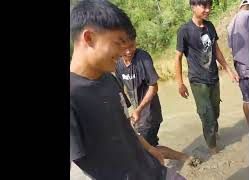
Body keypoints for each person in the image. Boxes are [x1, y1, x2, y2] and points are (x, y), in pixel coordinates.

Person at [70, 1, 185, 179]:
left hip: (154, 171)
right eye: (118, 42)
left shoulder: (109, 79)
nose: (124, 50)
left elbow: (124, 124)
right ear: (89, 38)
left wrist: (149, 149)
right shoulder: (73, 96)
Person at [175, 0, 239, 154]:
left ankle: (214, 135)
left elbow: (216, 50)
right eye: (203, 6)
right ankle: (213, 150)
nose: (208, 9)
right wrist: (180, 84)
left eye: (209, 6)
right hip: (198, 81)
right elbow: (177, 58)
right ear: (193, 6)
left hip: (214, 78)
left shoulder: (209, 26)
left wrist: (228, 69)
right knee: (207, 115)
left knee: (215, 111)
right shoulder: (185, 30)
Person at [115, 35, 190, 162]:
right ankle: (185, 158)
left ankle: (183, 159)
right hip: (137, 115)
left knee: (145, 150)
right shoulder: (117, 64)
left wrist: (138, 110)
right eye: (124, 48)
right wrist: (125, 116)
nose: (128, 52)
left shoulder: (143, 58)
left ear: (135, 42)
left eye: (131, 46)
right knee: (147, 148)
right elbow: (119, 90)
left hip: (150, 112)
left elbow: (153, 88)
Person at [227, 0, 249, 127]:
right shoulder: (248, 16)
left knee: (247, 98)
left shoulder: (231, 24)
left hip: (239, 65)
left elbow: (231, 49)